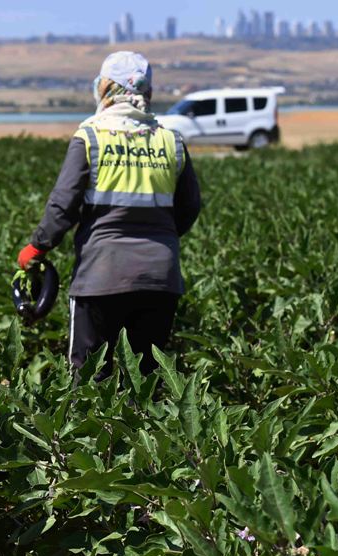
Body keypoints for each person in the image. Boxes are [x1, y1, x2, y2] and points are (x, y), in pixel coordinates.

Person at [16, 51, 201, 379]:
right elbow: (189, 207)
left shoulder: (91, 135)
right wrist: (160, 239)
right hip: (160, 276)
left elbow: (63, 205)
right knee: (146, 379)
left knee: (88, 378)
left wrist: (37, 247)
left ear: (106, 88)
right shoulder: (170, 140)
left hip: (100, 275)